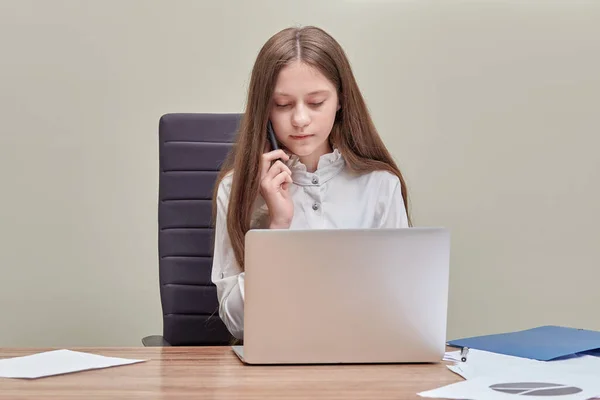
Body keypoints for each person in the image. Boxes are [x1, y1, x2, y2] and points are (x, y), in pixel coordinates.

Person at [210, 26, 411, 340]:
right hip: (272, 369)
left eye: (316, 102)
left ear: (341, 100)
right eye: (283, 105)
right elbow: (237, 323)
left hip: (363, 363)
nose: (300, 119)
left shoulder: (380, 185)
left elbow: (401, 310)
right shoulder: (236, 190)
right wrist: (277, 226)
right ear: (264, 109)